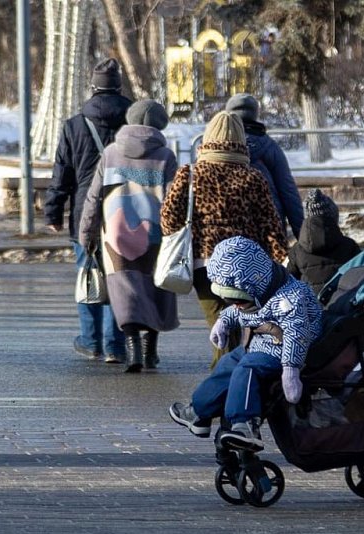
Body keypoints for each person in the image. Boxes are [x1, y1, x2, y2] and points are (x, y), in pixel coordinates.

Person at [160, 111, 288, 368]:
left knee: (219, 319)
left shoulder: (191, 174)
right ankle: (228, 380)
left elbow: (168, 219)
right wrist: (280, 260)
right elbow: (271, 226)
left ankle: (222, 381)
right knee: (235, 322)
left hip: (203, 263)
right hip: (245, 266)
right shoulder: (253, 177)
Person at [168, 236, 322, 451]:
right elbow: (245, 311)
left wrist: (290, 371)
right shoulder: (258, 292)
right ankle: (199, 412)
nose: (236, 305)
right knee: (227, 364)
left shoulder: (289, 299)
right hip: (259, 344)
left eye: (238, 300)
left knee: (246, 369)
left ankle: (245, 423)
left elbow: (297, 335)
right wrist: (223, 322)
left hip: (283, 349)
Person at [78, 100, 178, 372]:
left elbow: (94, 196)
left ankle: (132, 347)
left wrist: (86, 232)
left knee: (125, 292)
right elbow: (173, 200)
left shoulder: (110, 153)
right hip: (155, 234)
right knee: (155, 289)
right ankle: (150, 349)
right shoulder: (165, 157)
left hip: (115, 235)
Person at [45, 58, 133, 364]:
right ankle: (115, 345)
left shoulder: (74, 125)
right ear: (119, 87)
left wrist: (53, 212)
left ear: (93, 88)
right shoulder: (132, 124)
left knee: (88, 275)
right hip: (126, 210)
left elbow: (62, 174)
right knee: (118, 277)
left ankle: (91, 340)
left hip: (85, 211)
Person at [225, 93, 304, 239]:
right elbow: (288, 190)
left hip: (227, 226)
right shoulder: (270, 147)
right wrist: (303, 235)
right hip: (270, 226)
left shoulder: (218, 148)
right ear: (255, 114)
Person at [287, 189, 361, 295]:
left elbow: (288, 284)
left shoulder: (297, 250)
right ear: (334, 219)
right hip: (343, 306)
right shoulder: (349, 246)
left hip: (309, 308)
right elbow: (360, 276)